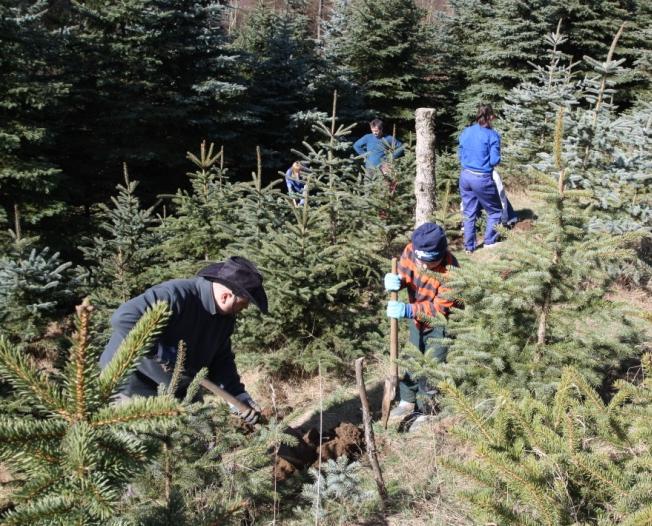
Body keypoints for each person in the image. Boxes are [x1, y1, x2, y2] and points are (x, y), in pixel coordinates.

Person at [99, 256, 267, 424]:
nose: (244, 309)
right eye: (244, 304)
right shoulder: (175, 295)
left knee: (202, 443)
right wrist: (160, 351)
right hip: (131, 388)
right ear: (226, 296)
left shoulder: (225, 318)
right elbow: (123, 318)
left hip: (182, 391)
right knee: (144, 446)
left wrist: (237, 395)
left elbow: (221, 359)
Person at [384, 222, 459, 424]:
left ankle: (427, 411)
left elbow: (439, 309)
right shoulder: (411, 251)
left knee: (431, 366)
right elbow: (405, 274)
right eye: (421, 261)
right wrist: (397, 281)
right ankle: (407, 401)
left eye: (430, 262)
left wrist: (408, 310)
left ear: (441, 254)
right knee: (413, 357)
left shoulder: (451, 271)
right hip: (417, 320)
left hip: (441, 324)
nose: (424, 266)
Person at [458, 104, 505, 253]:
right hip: (481, 178)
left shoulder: (466, 131)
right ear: (490, 117)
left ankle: (469, 247)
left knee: (469, 213)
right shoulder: (492, 135)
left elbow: (460, 152)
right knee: (496, 211)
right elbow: (494, 161)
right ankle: (489, 241)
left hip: (465, 176)